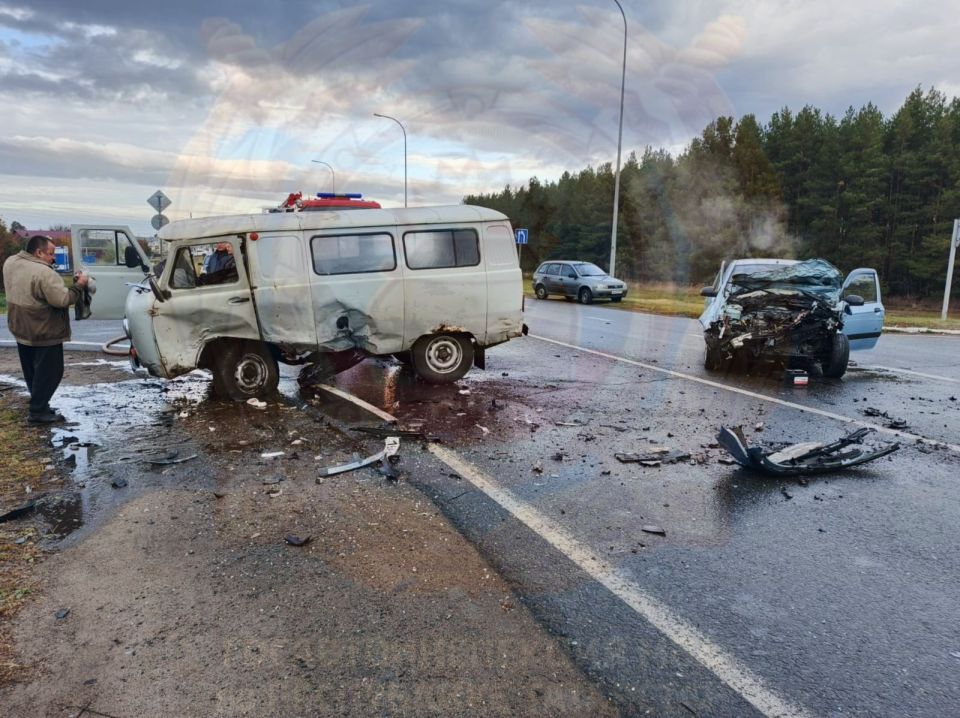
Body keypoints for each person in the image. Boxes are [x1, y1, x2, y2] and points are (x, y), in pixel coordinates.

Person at [2, 235, 90, 424]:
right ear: (38, 252)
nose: (53, 258)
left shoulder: (11, 262)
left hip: (21, 327)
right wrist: (79, 285)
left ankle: (40, 405)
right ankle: (38, 412)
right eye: (50, 254)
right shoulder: (43, 272)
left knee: (32, 371)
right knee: (51, 372)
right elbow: (62, 300)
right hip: (44, 330)